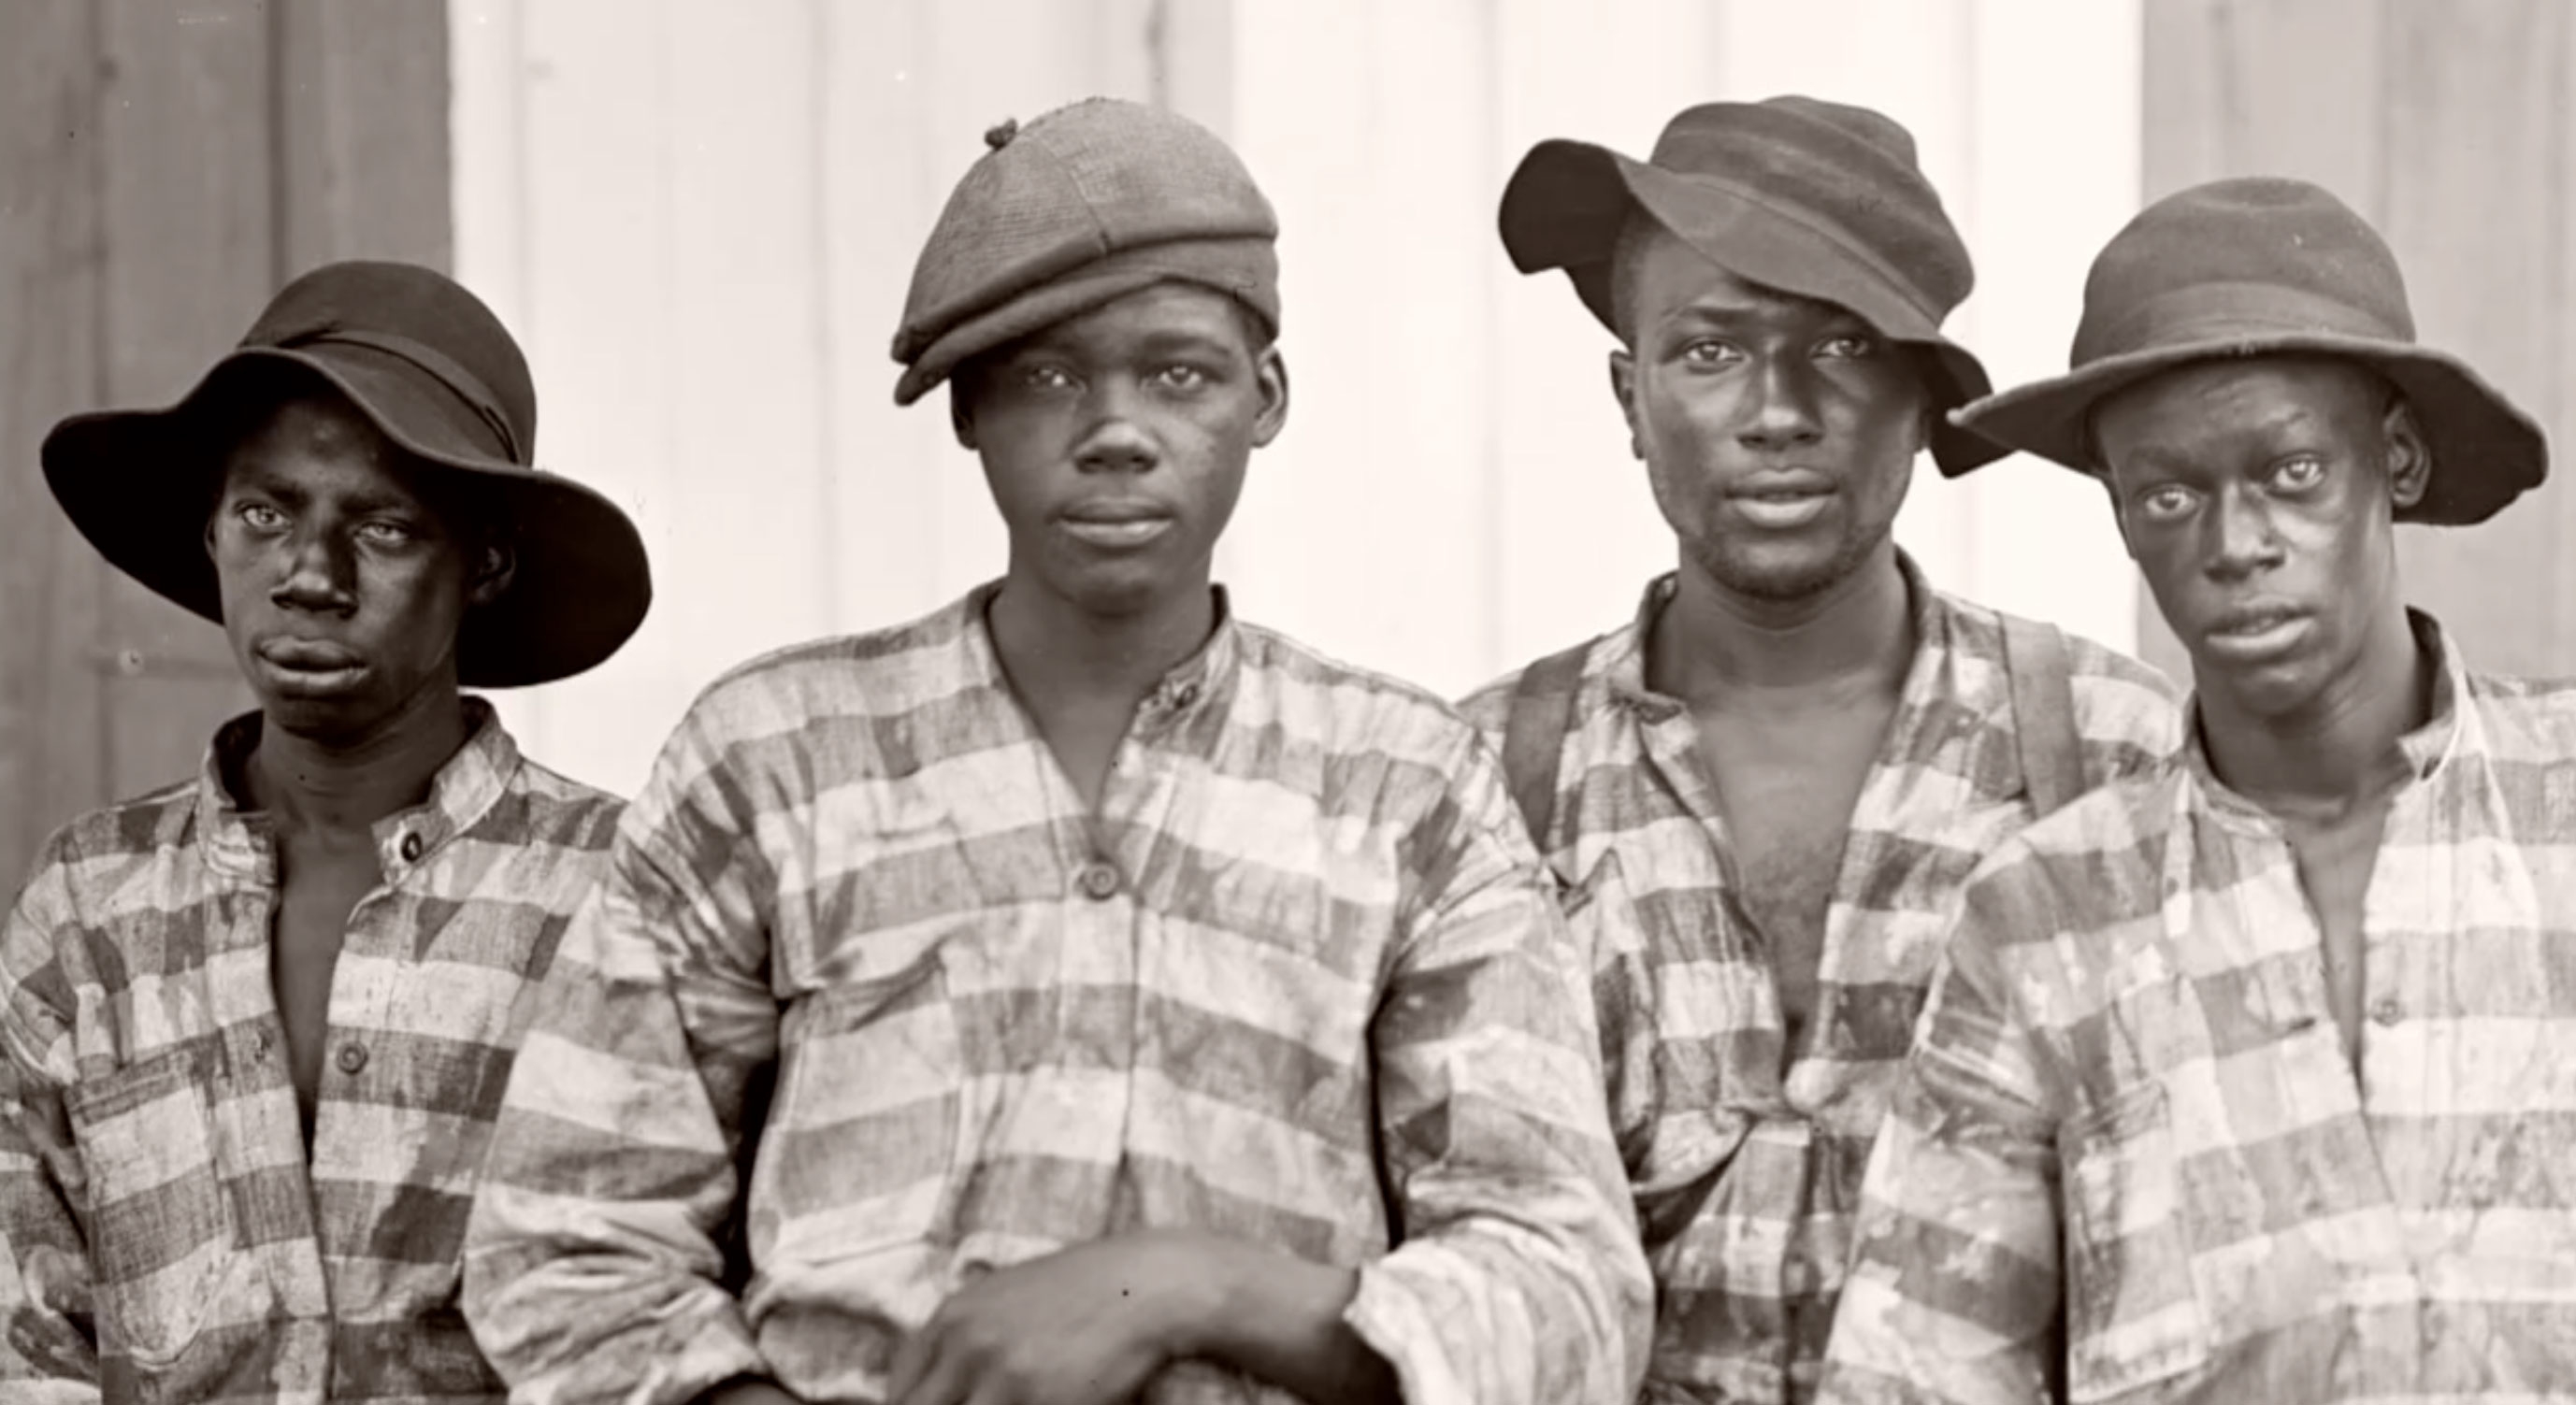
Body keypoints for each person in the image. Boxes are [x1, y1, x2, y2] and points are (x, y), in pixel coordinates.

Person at [459, 96, 1651, 1405]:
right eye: (1047, 377)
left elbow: (1564, 1287)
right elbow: (565, 1241)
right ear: (967, 407)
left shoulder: (1399, 781)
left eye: (1179, 371)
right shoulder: (775, 759)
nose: (1116, 427)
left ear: (1267, 399)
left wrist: (1182, 1282)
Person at [1459, 96, 2182, 1405]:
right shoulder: (1482, 780)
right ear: (1628, 394)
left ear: (1920, 399)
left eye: (1840, 344)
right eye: (1707, 349)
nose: (1775, 409)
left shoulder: (2108, 748)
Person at [1820, 176, 2575, 1404]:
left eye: (2287, 472)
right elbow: (1918, 1365)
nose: (2232, 543)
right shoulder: (2045, 918)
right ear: (2121, 516)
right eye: (2169, 495)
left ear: (2391, 459)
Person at [0, 260, 654, 1402]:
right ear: (212, 533)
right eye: (266, 513)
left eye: (386, 529)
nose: (309, 575)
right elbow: (27, 1334)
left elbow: (677, 1308)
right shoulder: (92, 905)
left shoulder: (616, 894)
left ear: (484, 564)